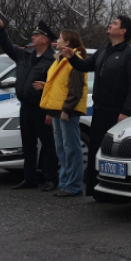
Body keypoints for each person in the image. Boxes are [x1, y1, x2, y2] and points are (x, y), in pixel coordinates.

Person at [61, 16, 131, 199]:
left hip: (117, 112)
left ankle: (118, 195)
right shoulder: (104, 50)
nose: (110, 24)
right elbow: (86, 66)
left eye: (115, 23)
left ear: (123, 31)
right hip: (100, 110)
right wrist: (72, 57)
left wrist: (126, 111)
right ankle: (98, 191)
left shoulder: (130, 54)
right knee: (97, 150)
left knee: (115, 154)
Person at [0, 15, 58, 191]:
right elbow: (6, 45)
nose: (32, 37)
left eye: (36, 35)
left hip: (42, 108)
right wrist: (0, 29)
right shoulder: (24, 54)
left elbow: (57, 87)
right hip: (25, 107)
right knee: (28, 144)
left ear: (45, 39)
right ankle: (30, 178)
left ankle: (51, 179)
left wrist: (51, 111)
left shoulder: (53, 60)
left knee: (48, 145)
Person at [39, 29, 88, 197]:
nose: (57, 41)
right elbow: (59, 87)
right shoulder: (59, 60)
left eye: (60, 38)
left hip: (67, 112)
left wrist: (67, 110)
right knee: (61, 149)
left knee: (71, 149)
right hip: (57, 111)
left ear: (67, 43)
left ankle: (73, 186)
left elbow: (76, 90)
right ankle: (66, 184)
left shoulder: (75, 62)